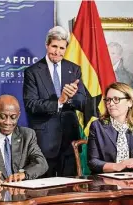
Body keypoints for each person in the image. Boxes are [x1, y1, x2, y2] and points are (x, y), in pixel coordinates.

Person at [23, 26, 86, 177]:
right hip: (45, 141)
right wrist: (59, 101)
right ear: (47, 45)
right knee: (45, 190)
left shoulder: (74, 69)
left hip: (70, 141)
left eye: (62, 48)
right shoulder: (32, 72)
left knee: (70, 189)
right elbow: (31, 104)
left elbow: (83, 101)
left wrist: (69, 98)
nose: (58, 52)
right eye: (54, 46)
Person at [88, 82, 133, 174]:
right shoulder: (97, 126)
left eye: (116, 99)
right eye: (108, 100)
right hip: (107, 183)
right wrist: (118, 166)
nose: (110, 104)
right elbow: (93, 162)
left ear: (129, 102)